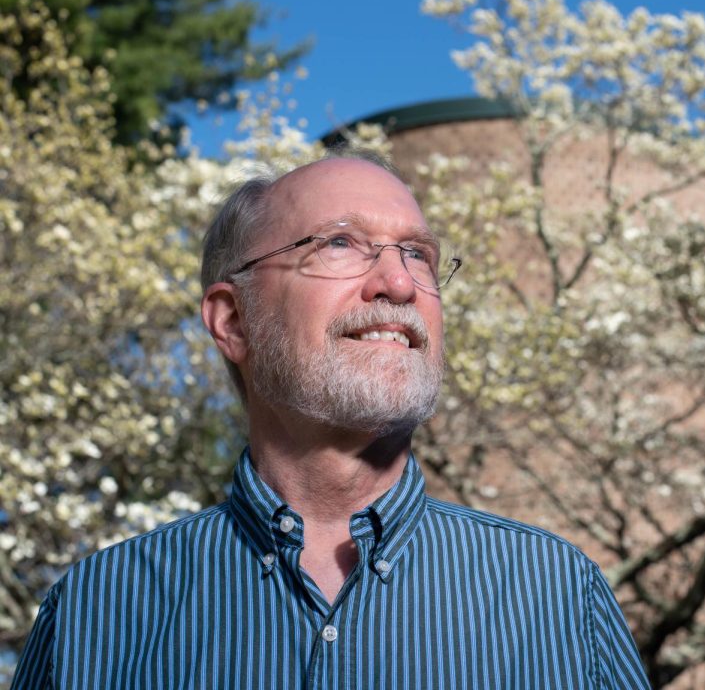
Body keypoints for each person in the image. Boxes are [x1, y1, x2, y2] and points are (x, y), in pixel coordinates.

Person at [13, 152, 651, 689]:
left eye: (419, 254)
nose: (399, 284)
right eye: (340, 243)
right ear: (233, 321)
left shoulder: (556, 595)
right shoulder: (96, 612)